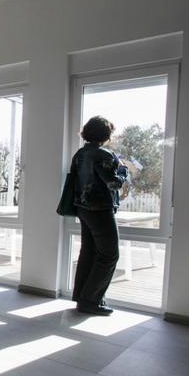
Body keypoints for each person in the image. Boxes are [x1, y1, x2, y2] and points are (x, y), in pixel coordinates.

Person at [70, 116, 129, 315]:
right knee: (110, 254)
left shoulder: (80, 154)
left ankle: (83, 297)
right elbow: (113, 184)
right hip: (100, 209)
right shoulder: (103, 154)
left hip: (82, 208)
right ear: (105, 134)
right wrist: (122, 171)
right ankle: (91, 300)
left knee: (89, 251)